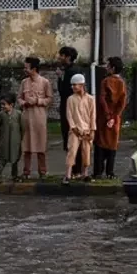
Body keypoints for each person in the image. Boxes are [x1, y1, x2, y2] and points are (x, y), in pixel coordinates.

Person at [17, 56, 53, 180]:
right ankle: (26, 171)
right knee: (26, 146)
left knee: (41, 145)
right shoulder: (24, 82)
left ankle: (42, 171)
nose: (24, 70)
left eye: (26, 67)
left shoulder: (45, 82)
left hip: (39, 117)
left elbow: (49, 99)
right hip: (26, 117)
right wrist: (23, 103)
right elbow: (19, 98)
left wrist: (37, 100)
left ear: (34, 69)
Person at [94, 57, 128, 179]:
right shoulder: (122, 83)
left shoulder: (106, 81)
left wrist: (108, 116)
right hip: (115, 118)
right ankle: (110, 172)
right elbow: (122, 102)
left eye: (108, 66)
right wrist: (114, 116)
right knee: (112, 144)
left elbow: (102, 99)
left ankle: (98, 172)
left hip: (103, 116)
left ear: (112, 68)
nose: (106, 68)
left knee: (100, 142)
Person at [64, 74, 95, 184]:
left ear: (82, 85)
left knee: (86, 152)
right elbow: (69, 115)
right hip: (75, 131)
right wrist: (73, 127)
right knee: (72, 151)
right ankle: (68, 174)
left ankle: (85, 173)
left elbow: (93, 116)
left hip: (86, 130)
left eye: (75, 85)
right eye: (72, 85)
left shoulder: (91, 99)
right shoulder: (70, 99)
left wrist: (92, 130)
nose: (73, 87)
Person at [56, 46, 83, 176]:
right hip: (69, 108)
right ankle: (74, 169)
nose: (59, 58)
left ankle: (75, 169)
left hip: (71, 108)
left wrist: (60, 78)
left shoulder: (71, 72)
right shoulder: (72, 70)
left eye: (61, 55)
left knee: (72, 137)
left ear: (67, 57)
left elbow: (64, 91)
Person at [0, 93, 23, 184]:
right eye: (1, 104)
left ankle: (14, 176)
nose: (2, 106)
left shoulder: (18, 114)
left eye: (4, 104)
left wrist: (21, 139)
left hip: (16, 141)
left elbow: (23, 128)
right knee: (2, 158)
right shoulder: (1, 114)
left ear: (11, 105)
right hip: (5, 140)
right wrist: (0, 139)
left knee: (15, 158)